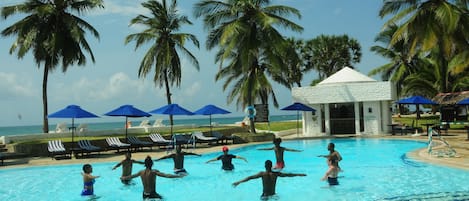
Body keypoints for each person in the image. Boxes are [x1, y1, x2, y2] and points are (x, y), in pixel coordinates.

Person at [232, 160, 306, 199]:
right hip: (273, 195)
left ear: (265, 166)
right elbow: (289, 175)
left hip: (265, 195)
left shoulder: (262, 174)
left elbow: (250, 178)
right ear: (271, 166)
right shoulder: (276, 174)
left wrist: (238, 182)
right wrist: (299, 174)